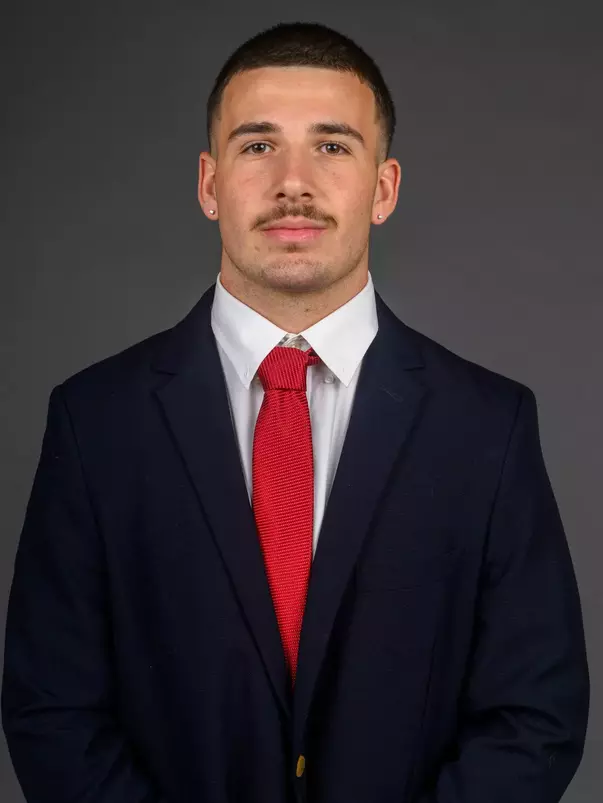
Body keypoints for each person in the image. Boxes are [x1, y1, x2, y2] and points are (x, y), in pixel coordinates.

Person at [1, 20, 589, 803]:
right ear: (209, 183)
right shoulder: (93, 420)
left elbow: (534, 715)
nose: (293, 182)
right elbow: (52, 709)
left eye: (333, 145)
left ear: (383, 189)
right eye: (256, 145)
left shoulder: (488, 425)